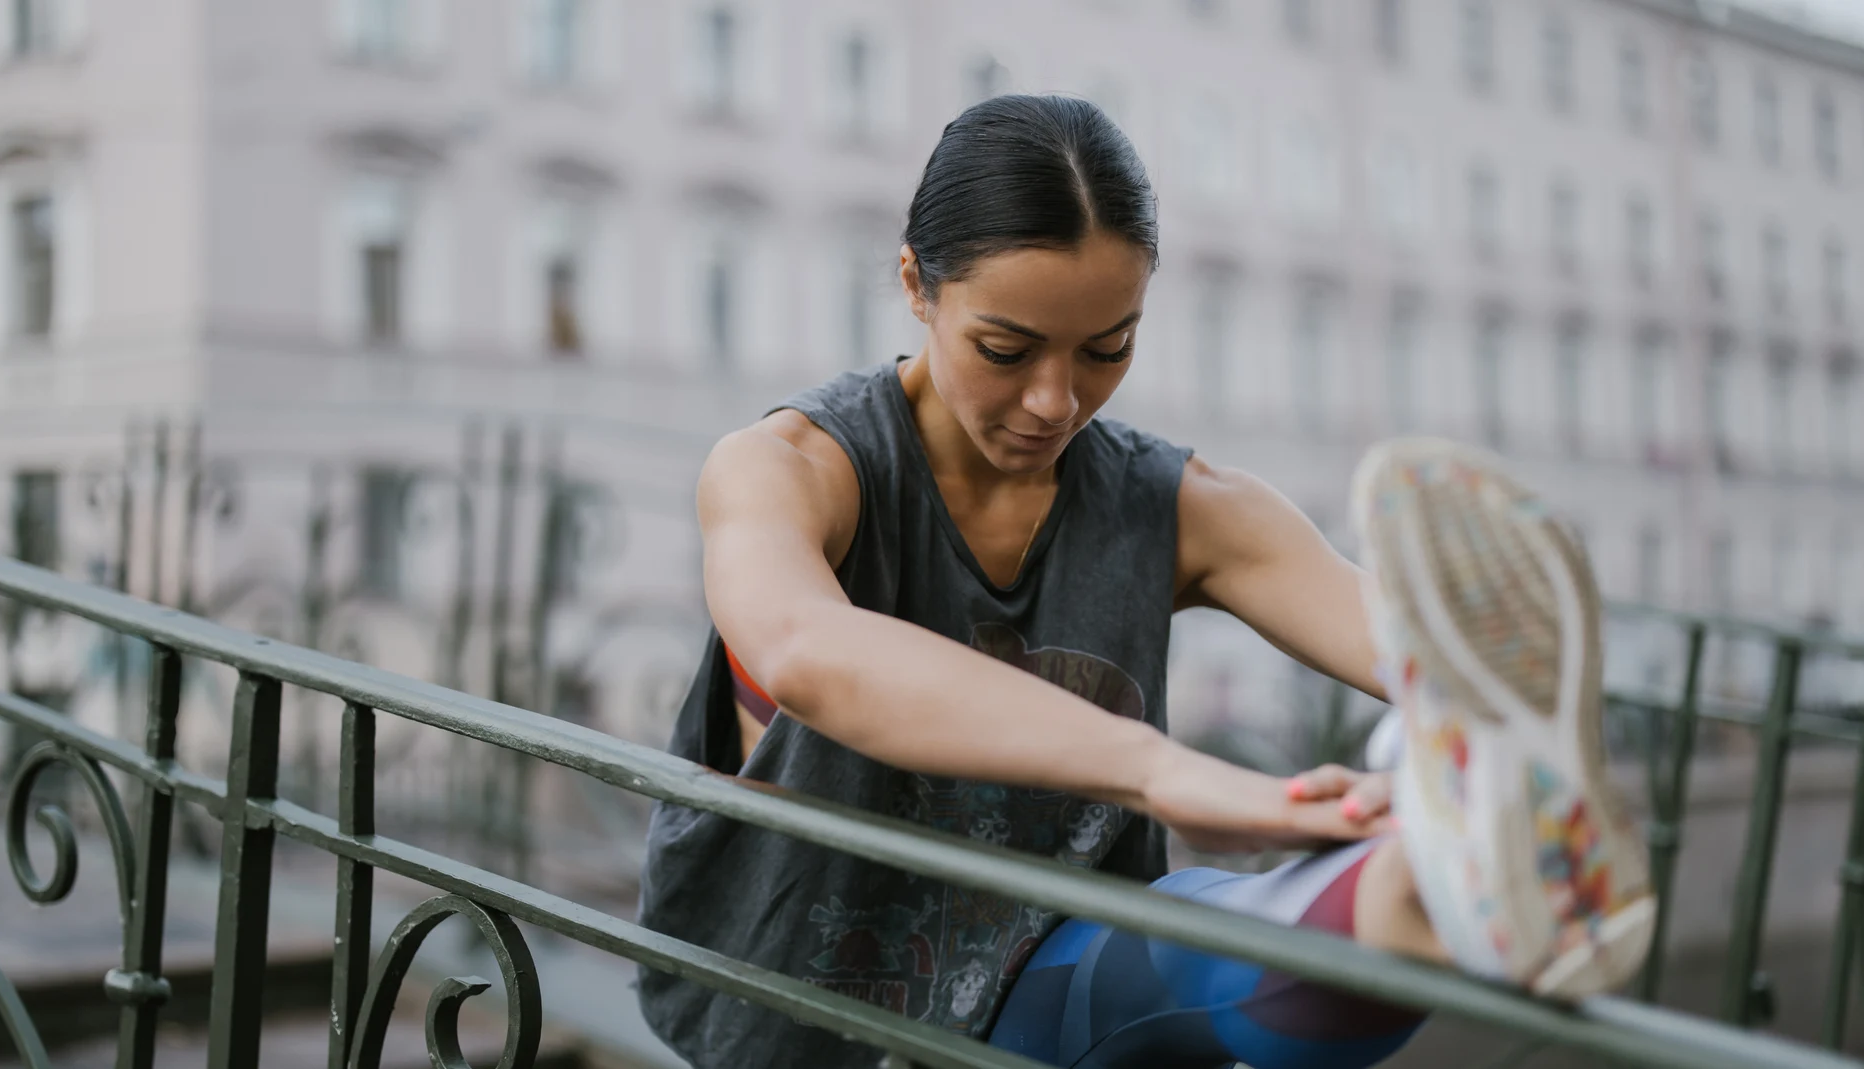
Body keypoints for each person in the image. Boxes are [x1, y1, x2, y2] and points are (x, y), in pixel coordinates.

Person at [636, 94, 1653, 1069]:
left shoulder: (1178, 503)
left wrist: (1439, 753)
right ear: (915, 284)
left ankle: (1446, 878)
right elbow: (809, 652)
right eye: (1005, 348)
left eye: (1107, 348)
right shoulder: (790, 467)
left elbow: (1425, 654)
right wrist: (1161, 769)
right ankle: (1436, 882)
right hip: (799, 1005)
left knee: (1240, 935)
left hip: (1045, 980)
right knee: (1216, 943)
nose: (1053, 400)